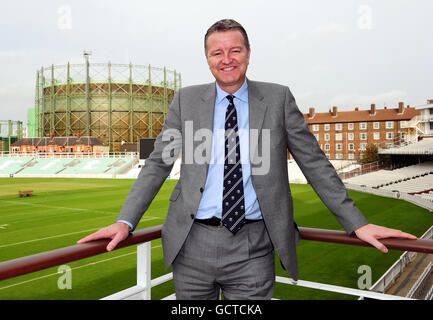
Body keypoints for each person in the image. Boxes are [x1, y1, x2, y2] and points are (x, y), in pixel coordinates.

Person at [78, 19, 416, 300]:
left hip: (253, 248)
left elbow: (314, 164)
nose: (226, 59)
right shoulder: (185, 100)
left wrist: (357, 223)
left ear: (249, 54)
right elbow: (158, 164)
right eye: (217, 52)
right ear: (207, 59)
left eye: (234, 50)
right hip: (190, 246)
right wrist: (125, 222)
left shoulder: (278, 98)